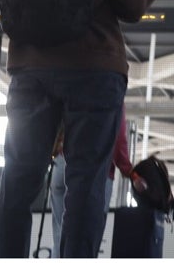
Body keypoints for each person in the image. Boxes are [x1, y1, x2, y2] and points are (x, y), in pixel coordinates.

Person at [0, 0, 155, 259]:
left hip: (28, 68)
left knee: (18, 175)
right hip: (94, 69)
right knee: (86, 180)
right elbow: (134, 6)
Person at [50, 106, 145, 258]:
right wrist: (130, 172)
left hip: (61, 165)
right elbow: (118, 138)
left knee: (60, 237)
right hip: (95, 171)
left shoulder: (73, 83)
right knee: (86, 239)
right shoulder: (111, 90)